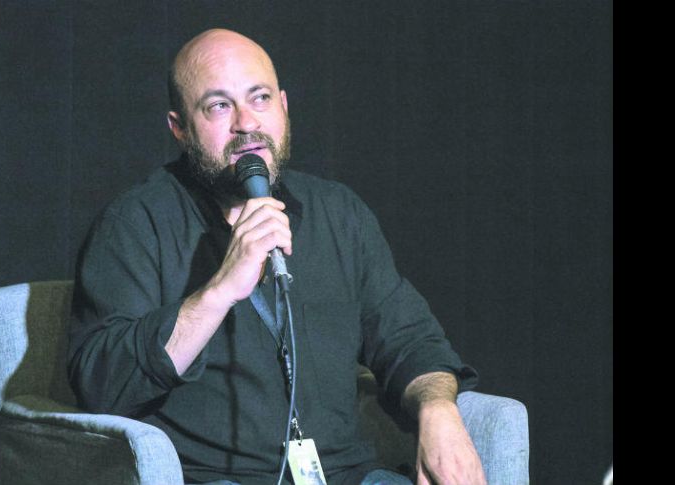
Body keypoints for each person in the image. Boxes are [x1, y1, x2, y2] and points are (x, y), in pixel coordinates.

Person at [68, 28, 487, 485]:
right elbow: (101, 384)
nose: (246, 123)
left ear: (284, 106)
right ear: (180, 128)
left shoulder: (339, 213)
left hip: (347, 476)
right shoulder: (135, 223)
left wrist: (438, 408)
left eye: (260, 98)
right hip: (218, 478)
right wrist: (219, 291)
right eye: (219, 106)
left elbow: (410, 340)